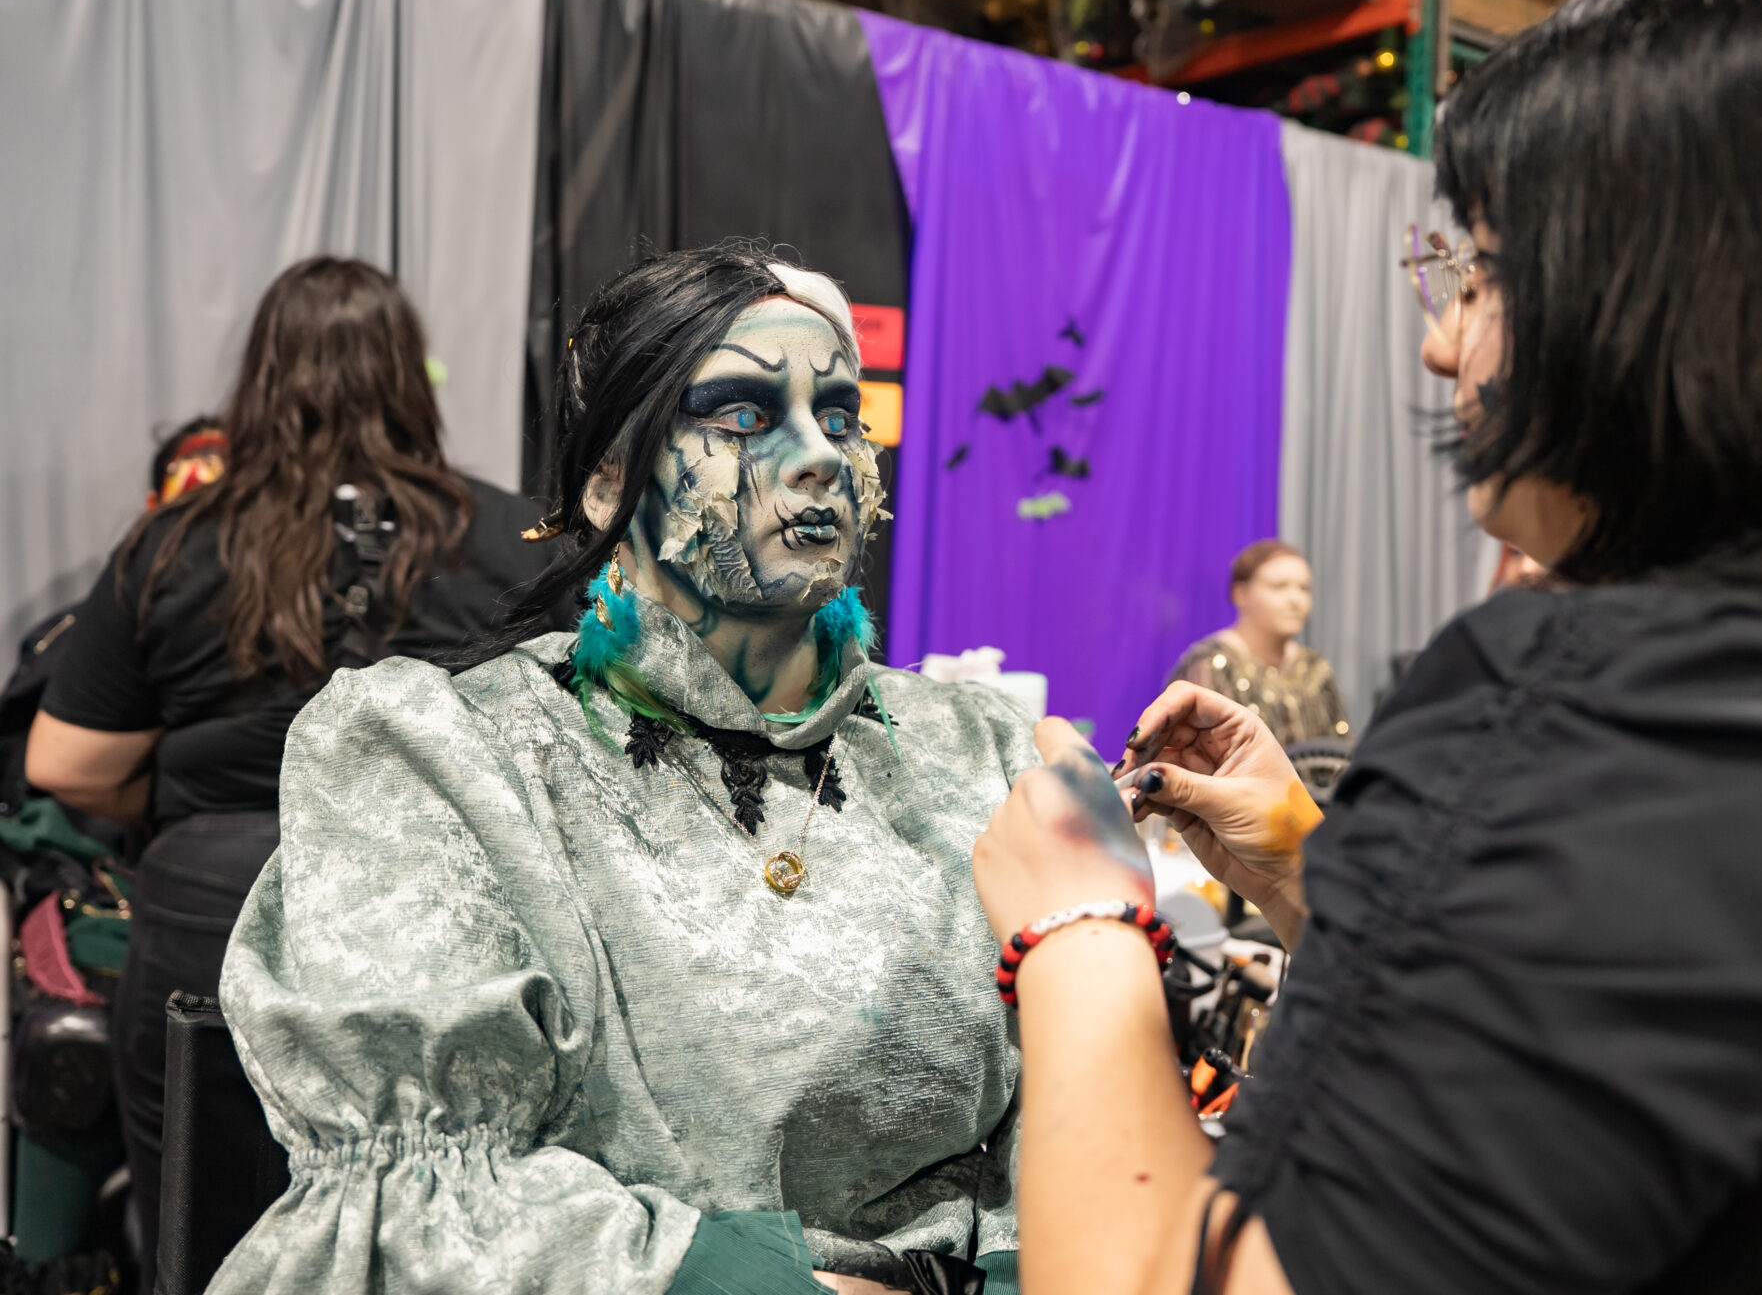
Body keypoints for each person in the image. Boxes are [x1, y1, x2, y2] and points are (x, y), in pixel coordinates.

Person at [969, 0, 1762, 1293]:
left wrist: (1074, 932)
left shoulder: (1664, 710)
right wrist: (1325, 875)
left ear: (1648, 300)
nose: (1440, 341)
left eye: (1477, 277)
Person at [209, 244, 1036, 1295]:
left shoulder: (976, 751)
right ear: (606, 485)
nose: (821, 455)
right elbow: (424, 1202)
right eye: (739, 416)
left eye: (839, 417)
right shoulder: (439, 753)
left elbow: (1074, 1105)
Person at [24, 257, 560, 1292]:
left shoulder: (179, 540)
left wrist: (182, 793)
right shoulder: (511, 537)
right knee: (437, 1245)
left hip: (206, 928)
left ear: (260, 382)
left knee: (206, 1238)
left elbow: (66, 764)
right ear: (411, 378)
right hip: (437, 934)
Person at [1167, 541, 1348, 747]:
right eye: (1279, 587)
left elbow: (1341, 751)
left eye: (1304, 588)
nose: (1296, 599)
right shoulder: (1209, 665)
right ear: (1241, 594)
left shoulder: (1314, 668)